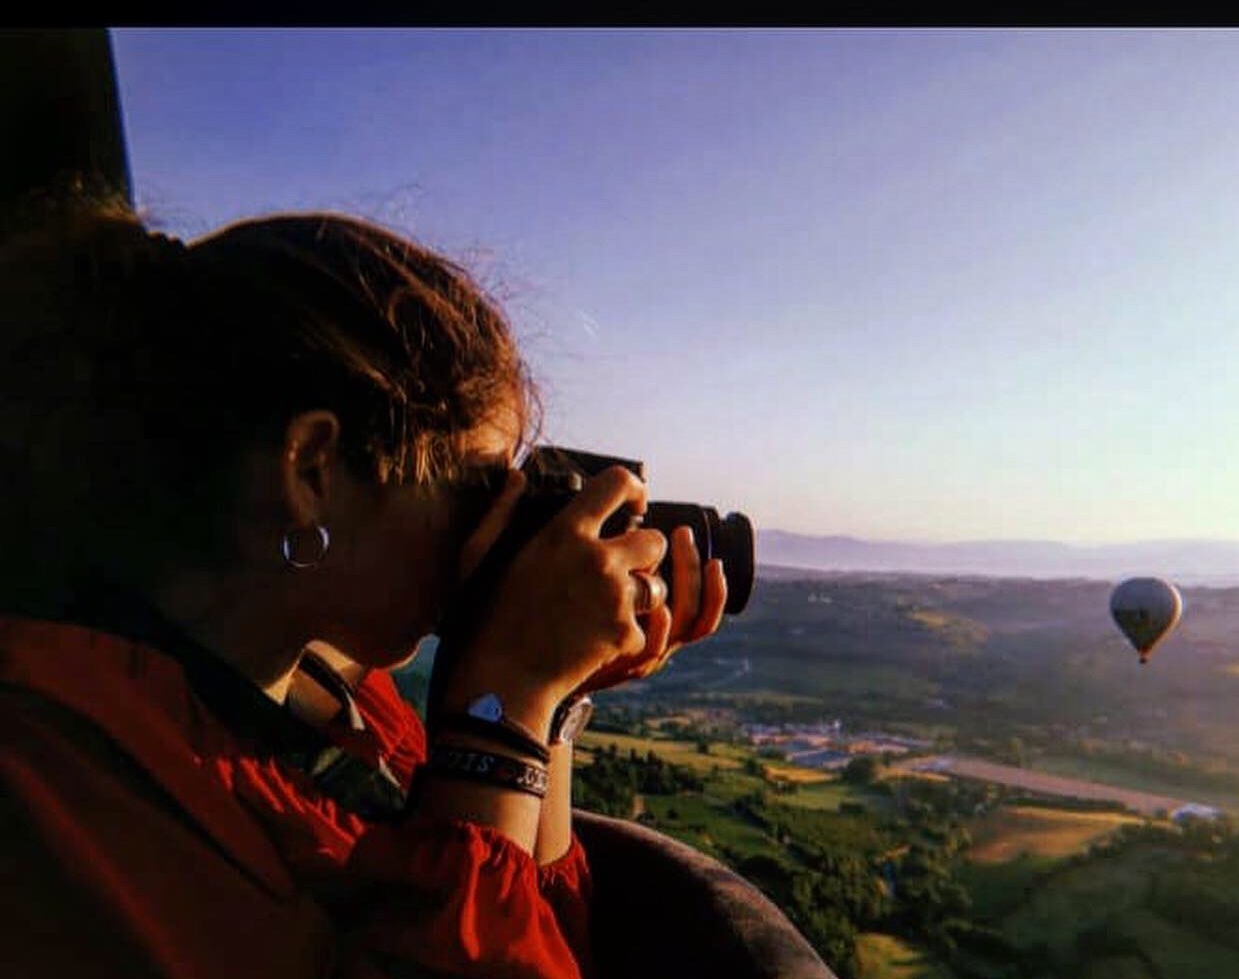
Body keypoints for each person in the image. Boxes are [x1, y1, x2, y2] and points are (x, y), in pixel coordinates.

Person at [0, 204, 727, 977]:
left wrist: (542, 714)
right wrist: (499, 712)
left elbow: (540, 933)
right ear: (312, 470)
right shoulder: (57, 782)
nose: (494, 536)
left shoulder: (347, 706)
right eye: (476, 490)